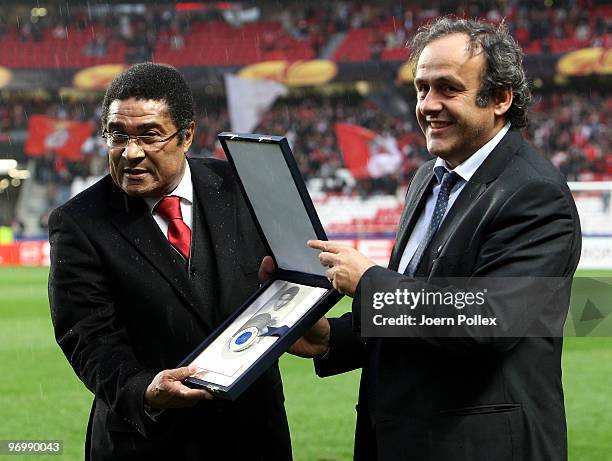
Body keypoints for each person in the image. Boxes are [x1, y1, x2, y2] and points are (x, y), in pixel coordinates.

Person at [295, 17, 581, 461]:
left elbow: (486, 320)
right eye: (421, 88)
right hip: (401, 439)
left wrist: (369, 283)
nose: (428, 104)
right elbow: (420, 304)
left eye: (448, 88)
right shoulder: (429, 177)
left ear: (501, 99)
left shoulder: (533, 192)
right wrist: (333, 338)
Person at [48, 63, 291, 460]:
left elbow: (289, 279)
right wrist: (144, 387)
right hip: (147, 441)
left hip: (252, 433)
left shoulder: (245, 186)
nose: (131, 152)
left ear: (187, 135)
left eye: (149, 135)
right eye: (117, 136)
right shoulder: (78, 223)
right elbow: (87, 336)